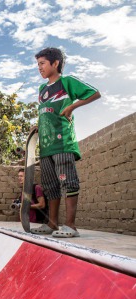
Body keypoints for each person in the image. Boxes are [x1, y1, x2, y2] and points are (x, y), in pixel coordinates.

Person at [30, 47, 101, 238]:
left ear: (55, 63)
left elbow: (94, 93)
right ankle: (52, 224)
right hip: (46, 146)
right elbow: (46, 112)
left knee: (67, 182)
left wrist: (72, 106)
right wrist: (38, 126)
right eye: (38, 64)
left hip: (63, 143)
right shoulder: (42, 89)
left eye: (42, 63)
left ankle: (70, 225)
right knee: (50, 185)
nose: (39, 67)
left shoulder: (67, 82)